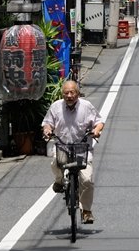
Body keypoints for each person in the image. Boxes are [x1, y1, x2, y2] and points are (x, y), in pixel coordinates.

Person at [42, 80, 104, 225]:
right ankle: (59, 181)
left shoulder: (86, 106)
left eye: (72, 92)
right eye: (66, 93)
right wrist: (47, 130)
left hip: (82, 148)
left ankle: (86, 211)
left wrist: (96, 130)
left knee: (87, 180)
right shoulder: (56, 106)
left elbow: (99, 122)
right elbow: (47, 123)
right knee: (55, 164)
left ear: (78, 93)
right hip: (62, 146)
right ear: (62, 94)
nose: (69, 95)